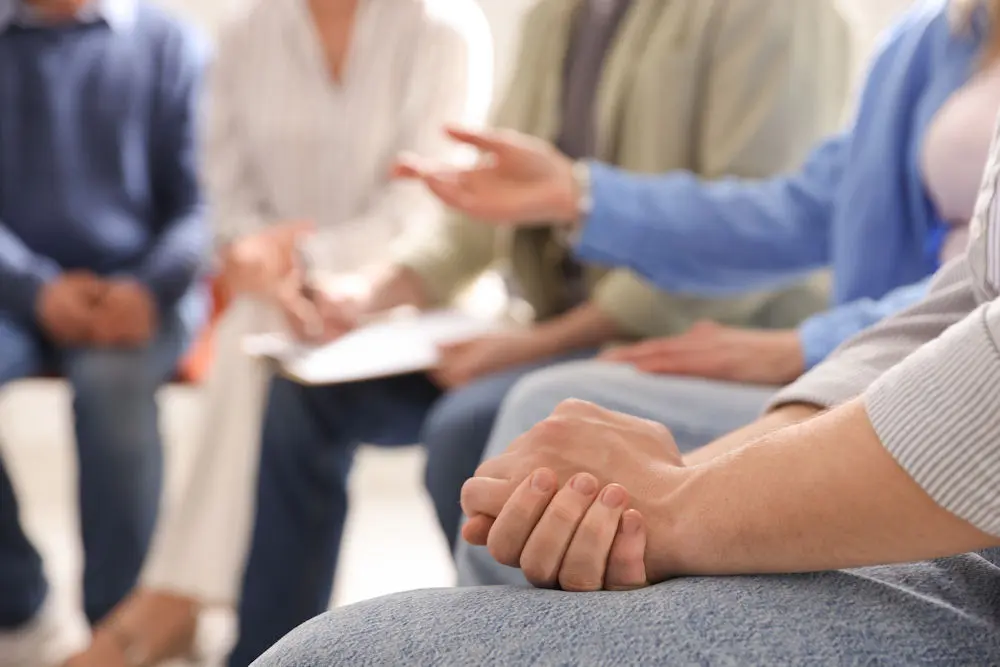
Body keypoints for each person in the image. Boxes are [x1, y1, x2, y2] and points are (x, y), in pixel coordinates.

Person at [102, 1, 850, 664]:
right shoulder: (562, 14)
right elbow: (479, 214)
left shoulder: (772, 13)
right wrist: (372, 291)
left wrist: (532, 344)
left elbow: (739, 240)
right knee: (301, 396)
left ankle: (534, 647)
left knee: (473, 435)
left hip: (701, 332)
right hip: (547, 325)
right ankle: (263, 647)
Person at [251, 60, 1000, 667]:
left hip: (948, 499)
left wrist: (682, 501)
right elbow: (961, 290)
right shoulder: (931, 38)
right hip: (893, 398)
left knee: (335, 650)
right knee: (545, 463)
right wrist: (697, 474)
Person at [395, 0, 1000, 584]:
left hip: (911, 375)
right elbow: (801, 211)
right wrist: (583, 197)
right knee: (543, 436)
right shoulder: (932, 35)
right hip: (881, 359)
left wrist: (806, 348)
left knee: (542, 407)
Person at [66, 0, 494, 665]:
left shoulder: (443, 29)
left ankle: (172, 601)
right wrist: (251, 257)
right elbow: (224, 198)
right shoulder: (243, 35)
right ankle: (224, 625)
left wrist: (312, 265)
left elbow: (429, 207)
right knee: (263, 329)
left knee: (258, 336)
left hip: (413, 304)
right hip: (280, 309)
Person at [0, 0, 208, 665]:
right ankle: (14, 594)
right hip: (13, 289)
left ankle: (122, 628)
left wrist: (149, 286)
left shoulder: (173, 46)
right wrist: (35, 288)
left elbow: (206, 201)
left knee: (114, 387)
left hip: (145, 292)